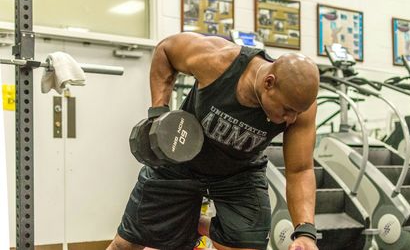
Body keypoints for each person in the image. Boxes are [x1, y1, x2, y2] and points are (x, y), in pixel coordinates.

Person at [107, 32, 320, 250]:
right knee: (126, 244)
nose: (291, 119)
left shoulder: (301, 108)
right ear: (269, 82)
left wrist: (305, 232)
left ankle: (193, 224)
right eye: (287, 110)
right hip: (180, 161)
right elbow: (166, 50)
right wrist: (159, 115)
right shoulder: (218, 60)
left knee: (248, 247)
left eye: (296, 112)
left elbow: (300, 169)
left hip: (238, 172)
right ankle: (179, 222)